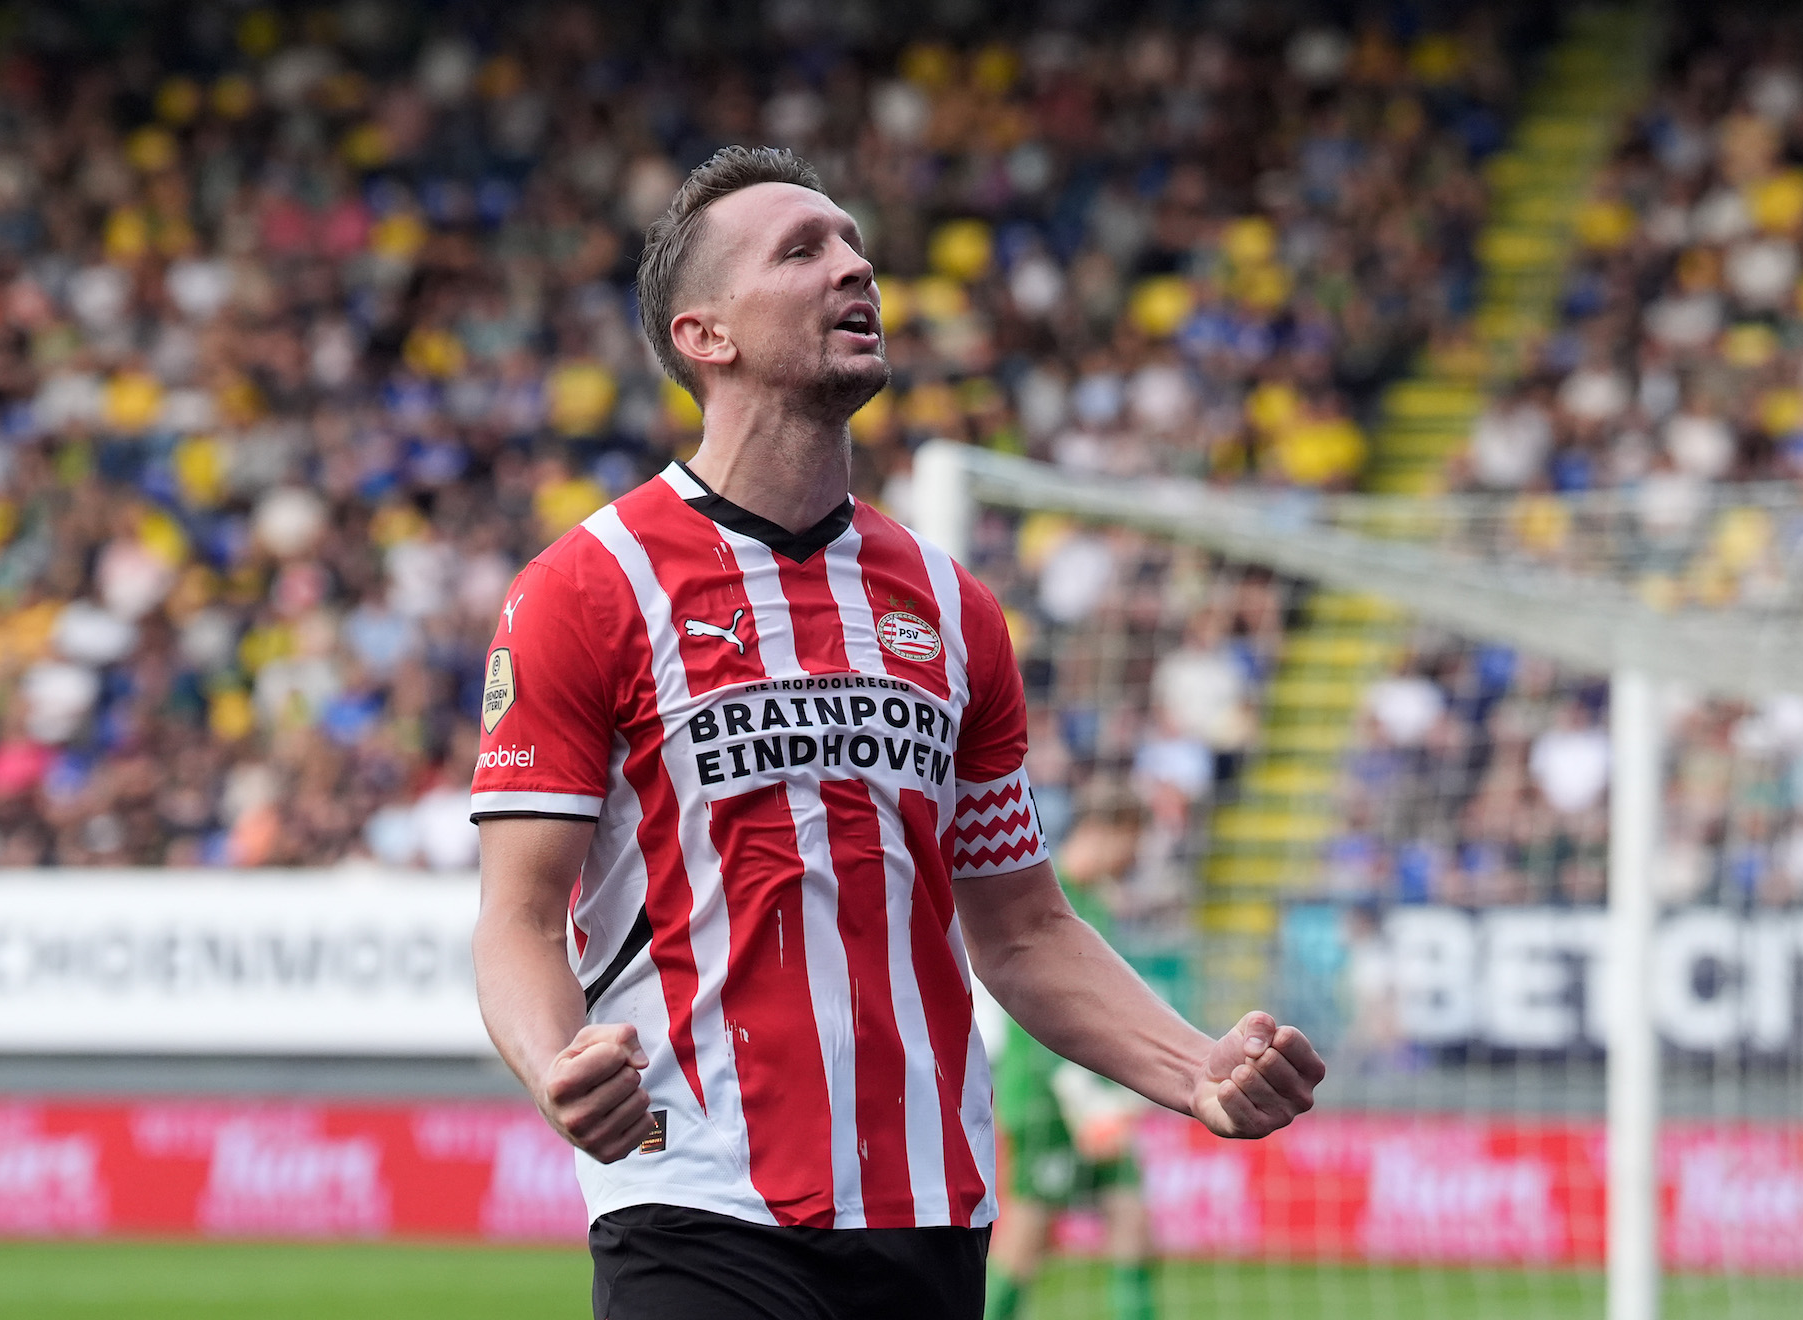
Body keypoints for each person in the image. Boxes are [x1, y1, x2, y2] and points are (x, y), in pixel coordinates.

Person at [468, 145, 1324, 1320]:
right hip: (697, 1202)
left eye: (856, 243)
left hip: (930, 1213)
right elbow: (514, 916)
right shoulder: (586, 588)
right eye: (803, 249)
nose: (854, 266)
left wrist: (1196, 1068)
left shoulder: (953, 605)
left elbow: (1022, 929)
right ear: (703, 335)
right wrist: (560, 1059)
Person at [987, 782, 1159, 1320]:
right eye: (1134, 843)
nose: (1134, 859)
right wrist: (1082, 1100)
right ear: (1109, 832)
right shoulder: (1047, 898)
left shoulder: (1094, 903)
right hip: (1047, 1099)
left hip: (1093, 1101)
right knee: (1028, 1240)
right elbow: (1038, 1011)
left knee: (1133, 1222)